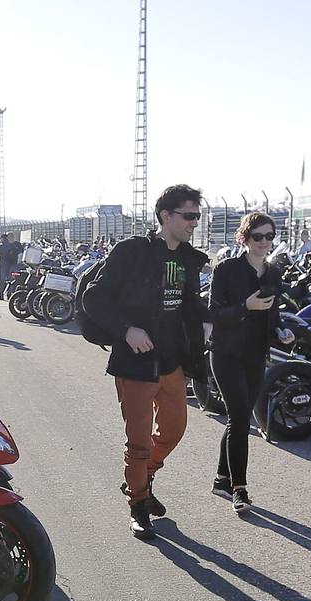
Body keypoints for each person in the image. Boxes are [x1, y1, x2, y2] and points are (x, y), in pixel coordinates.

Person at [81, 184, 211, 539]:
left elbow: (189, 303)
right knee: (138, 442)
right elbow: (95, 298)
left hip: (172, 362)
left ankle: (143, 476)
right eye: (188, 216)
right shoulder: (131, 252)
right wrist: (126, 330)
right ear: (165, 216)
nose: (194, 223)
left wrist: (210, 320)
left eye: (197, 216)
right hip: (135, 364)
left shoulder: (187, 258)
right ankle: (138, 504)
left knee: (173, 430)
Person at [207, 212, 295, 513]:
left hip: (256, 354)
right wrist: (245, 306)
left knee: (238, 417)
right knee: (241, 420)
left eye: (270, 236)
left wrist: (280, 330)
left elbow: (273, 314)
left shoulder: (272, 272)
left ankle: (221, 477)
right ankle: (239, 488)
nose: (265, 242)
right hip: (226, 353)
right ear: (245, 238)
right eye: (258, 236)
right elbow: (214, 314)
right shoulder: (226, 270)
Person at [0, 232, 23, 299]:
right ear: (7, 237)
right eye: (9, 236)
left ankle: (9, 294)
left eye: (12, 236)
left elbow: (21, 254)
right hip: (3, 264)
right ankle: (1, 295)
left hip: (14, 264)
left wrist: (19, 263)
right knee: (1, 280)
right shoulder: (1, 246)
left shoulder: (17, 245)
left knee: (13, 280)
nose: (11, 237)